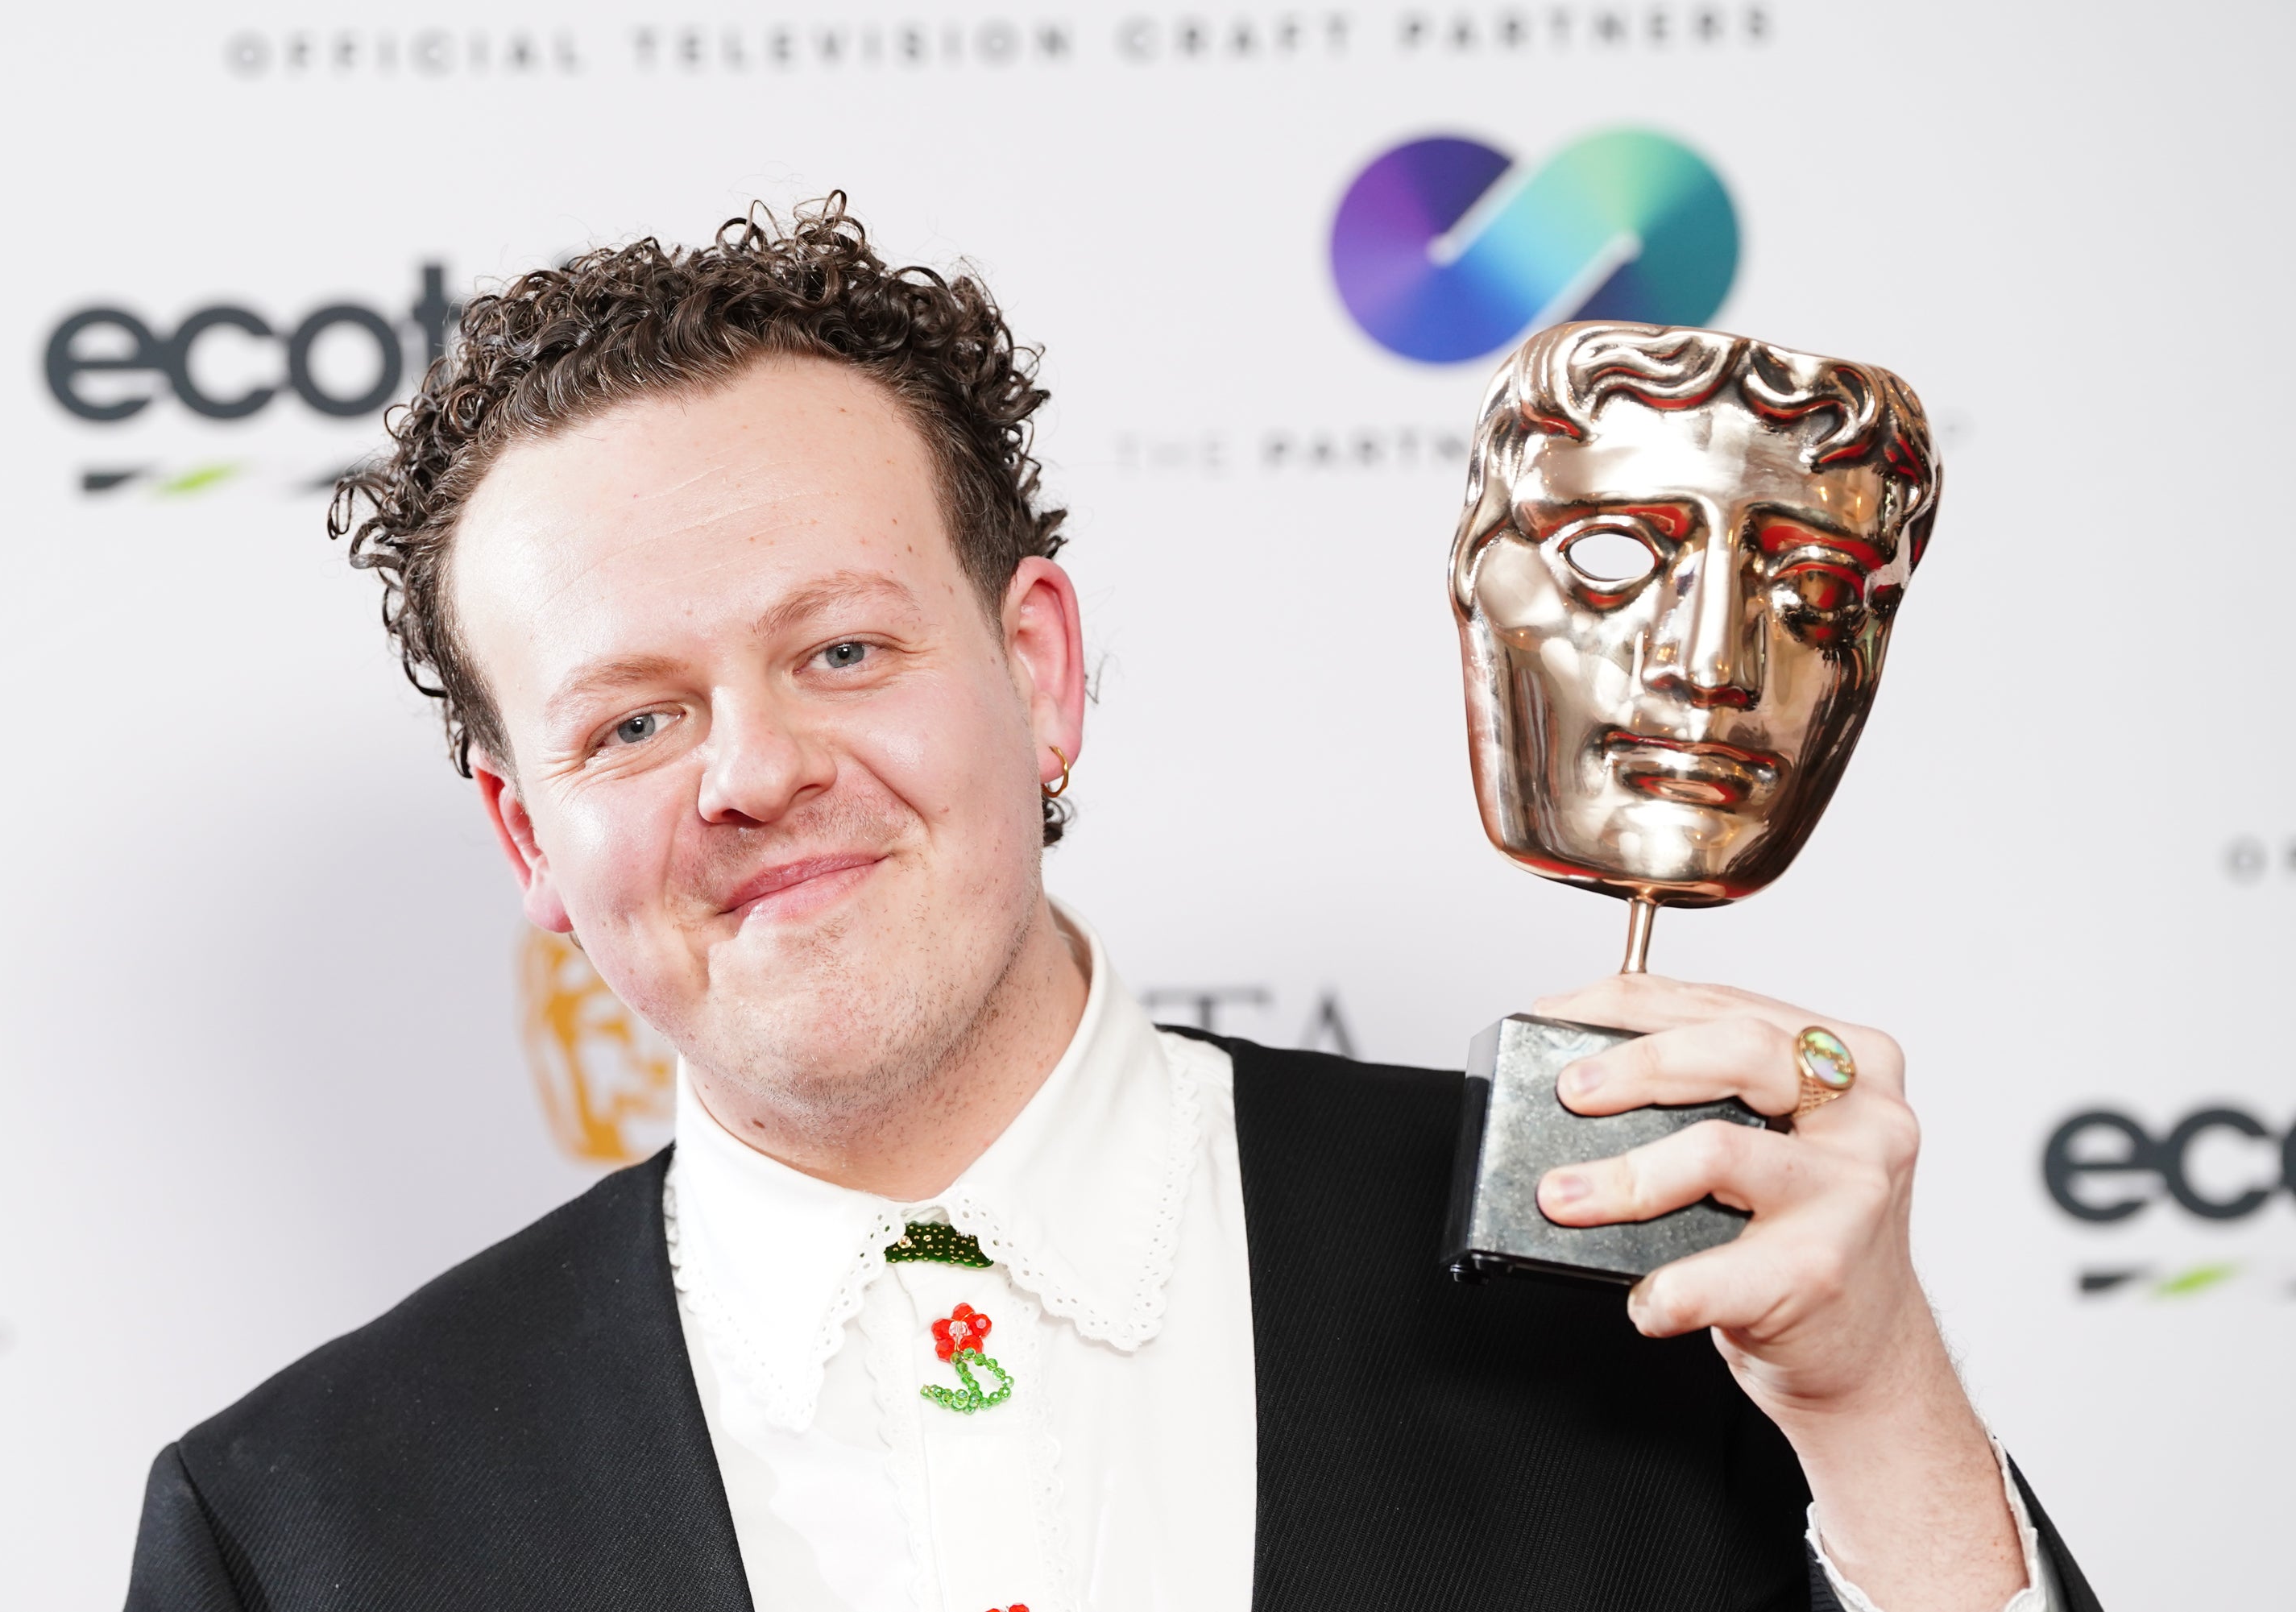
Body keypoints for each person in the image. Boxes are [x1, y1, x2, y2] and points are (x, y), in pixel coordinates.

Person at [123, 197, 2099, 1612]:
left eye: (837, 650)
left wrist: (1884, 1408)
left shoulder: (1644, 1286)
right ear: (527, 839)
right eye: (633, 717)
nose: (748, 772)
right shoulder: (296, 1526)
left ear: (1041, 668)